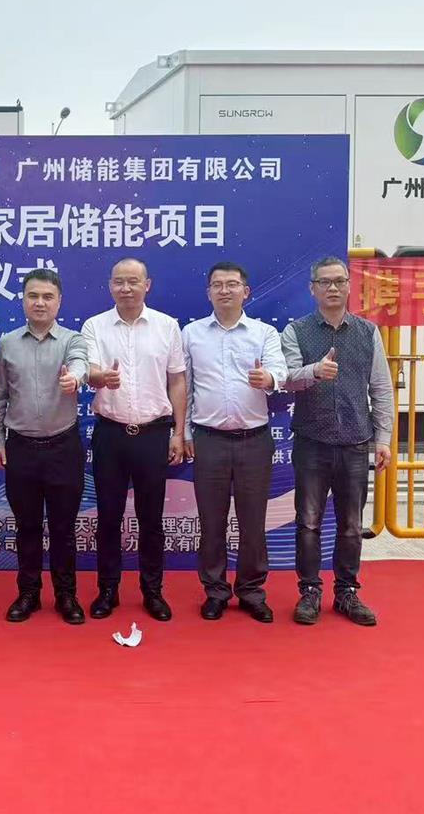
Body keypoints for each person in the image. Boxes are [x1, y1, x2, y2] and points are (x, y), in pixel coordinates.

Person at [280, 256, 393, 627]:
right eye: (324, 282)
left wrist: (383, 438)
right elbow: (286, 379)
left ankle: (347, 591)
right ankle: (310, 591)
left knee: (351, 524)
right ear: (312, 288)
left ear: (349, 286)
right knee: (308, 522)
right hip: (312, 442)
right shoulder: (296, 331)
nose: (332, 288)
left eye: (339, 281)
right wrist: (315, 371)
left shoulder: (367, 332)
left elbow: (381, 388)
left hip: (356, 443)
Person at [81, 258, 187, 622]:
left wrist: (179, 432)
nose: (125, 288)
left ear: (147, 285)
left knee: (151, 519)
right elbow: (88, 370)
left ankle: (152, 591)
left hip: (154, 434)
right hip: (110, 433)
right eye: (119, 282)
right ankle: (107, 590)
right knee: (108, 517)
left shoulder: (166, 326)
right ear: (110, 285)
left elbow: (177, 380)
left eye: (133, 281)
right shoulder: (94, 325)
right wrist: (101, 378)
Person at [182, 261, 287, 624]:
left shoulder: (263, 333)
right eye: (217, 285)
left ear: (246, 291)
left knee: (253, 522)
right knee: (211, 522)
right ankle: (215, 592)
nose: (224, 290)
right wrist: (184, 433)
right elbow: (185, 386)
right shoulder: (192, 334)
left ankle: (251, 591)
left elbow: (281, 370)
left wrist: (268, 378)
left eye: (232, 284)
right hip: (208, 440)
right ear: (209, 292)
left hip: (254, 440)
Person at [0, 268, 89, 625]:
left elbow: (80, 364)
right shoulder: (8, 343)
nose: (40, 303)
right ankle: (28, 593)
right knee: (27, 526)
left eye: (48, 296)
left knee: (63, 527)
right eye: (33, 296)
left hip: (64, 447)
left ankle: (66, 595)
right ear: (23, 301)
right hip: (21, 448)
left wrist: (74, 378)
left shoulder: (73, 339)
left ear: (59, 301)